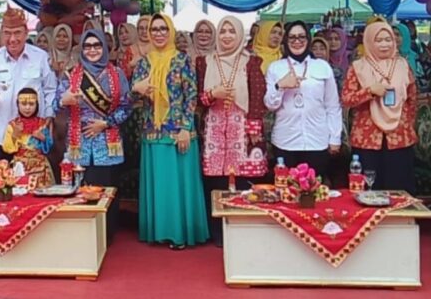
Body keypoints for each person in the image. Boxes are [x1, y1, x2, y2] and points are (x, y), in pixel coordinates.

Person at [133, 13, 209, 249]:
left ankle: (181, 233)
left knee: (179, 185)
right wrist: (137, 88)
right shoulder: (143, 63)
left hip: (178, 133)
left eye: (163, 29)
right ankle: (158, 232)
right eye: (154, 30)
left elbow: (191, 96)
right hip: (153, 132)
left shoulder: (182, 60)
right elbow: (132, 98)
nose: (158, 33)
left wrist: (186, 128)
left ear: (171, 31)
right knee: (161, 185)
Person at [196, 16, 267, 247]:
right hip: (215, 126)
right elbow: (198, 100)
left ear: (239, 35)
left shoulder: (252, 62)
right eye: (223, 30)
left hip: (243, 126)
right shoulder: (204, 62)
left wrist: (254, 126)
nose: (226, 35)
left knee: (245, 178)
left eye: (231, 31)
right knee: (216, 180)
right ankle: (218, 231)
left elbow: (258, 94)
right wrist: (212, 94)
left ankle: (244, 226)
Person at [55, 28, 130, 240]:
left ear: (104, 47)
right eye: (87, 46)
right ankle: (83, 237)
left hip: (107, 142)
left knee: (106, 190)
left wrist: (105, 123)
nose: (92, 50)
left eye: (97, 45)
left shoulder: (117, 74)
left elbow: (127, 108)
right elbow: (54, 106)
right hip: (79, 143)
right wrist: (64, 100)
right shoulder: (71, 75)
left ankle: (107, 235)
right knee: (80, 189)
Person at [342, 22, 417, 194]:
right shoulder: (358, 67)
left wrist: (405, 124)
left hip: (399, 139)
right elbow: (347, 99)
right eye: (378, 40)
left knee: (399, 188)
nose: (384, 44)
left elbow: (411, 98)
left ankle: (400, 221)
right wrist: (369, 92)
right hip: (368, 140)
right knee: (368, 189)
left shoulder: (403, 65)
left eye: (388, 39)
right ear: (368, 41)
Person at [264, 21, 342, 181]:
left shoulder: (322, 66)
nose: (297, 41)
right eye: (292, 37)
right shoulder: (275, 67)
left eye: (301, 37)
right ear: (285, 41)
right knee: (285, 191)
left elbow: (332, 105)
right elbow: (270, 105)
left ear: (308, 39)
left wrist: (335, 137)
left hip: (317, 140)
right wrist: (280, 86)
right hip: (285, 141)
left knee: (313, 193)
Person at [0, 8, 57, 164]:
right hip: (2, 136)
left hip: (33, 137)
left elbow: (51, 90)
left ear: (26, 33)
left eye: (17, 33)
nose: (12, 39)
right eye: (7, 33)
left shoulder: (40, 57)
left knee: (33, 183)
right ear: (2, 34)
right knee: (3, 183)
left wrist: (49, 116)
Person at [2, 88, 55, 188]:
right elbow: (7, 148)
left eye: (31, 104)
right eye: (23, 104)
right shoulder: (13, 124)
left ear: (37, 105)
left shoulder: (42, 123)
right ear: (18, 105)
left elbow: (49, 145)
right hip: (20, 166)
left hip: (40, 166)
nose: (27, 108)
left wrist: (42, 138)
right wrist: (15, 134)